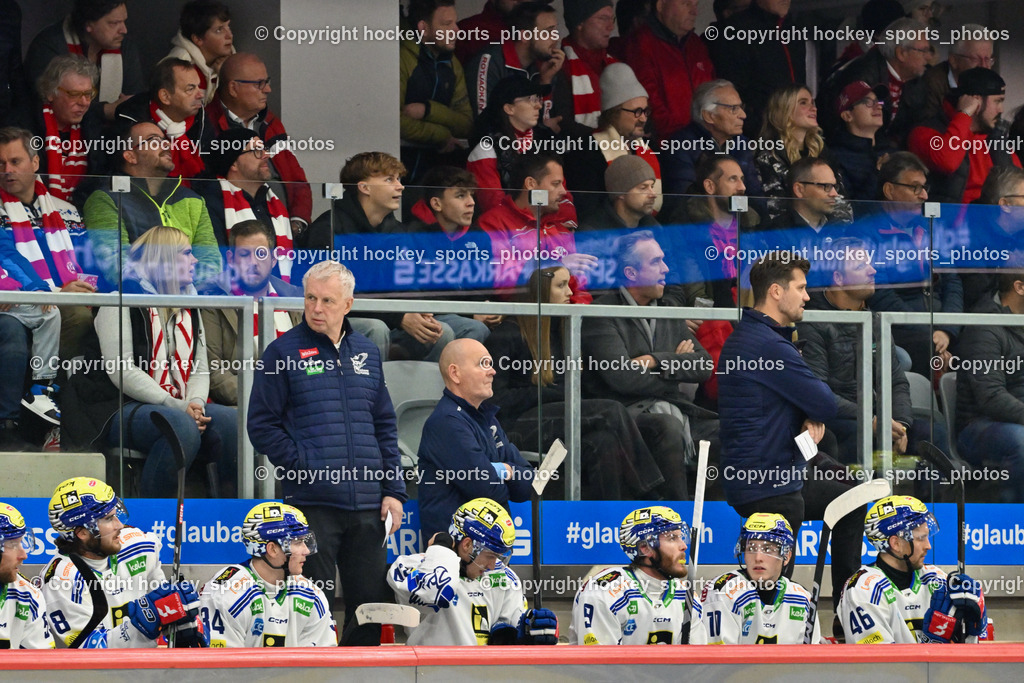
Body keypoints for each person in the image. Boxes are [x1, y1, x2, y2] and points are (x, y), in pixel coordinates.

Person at [247, 260, 406, 646]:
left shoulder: (367, 351)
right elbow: (261, 426)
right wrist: (306, 464)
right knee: (308, 609)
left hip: (369, 508)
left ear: (348, 304)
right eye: (310, 299)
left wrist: (394, 491)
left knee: (368, 612)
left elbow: (384, 425)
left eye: (327, 300)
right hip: (312, 505)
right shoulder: (280, 352)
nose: (317, 308)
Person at [718, 252, 863, 616]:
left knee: (853, 498)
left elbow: (800, 399)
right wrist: (810, 411)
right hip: (770, 483)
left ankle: (849, 612)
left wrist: (803, 413)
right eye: (801, 288)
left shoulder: (753, 337)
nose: (808, 296)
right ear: (776, 292)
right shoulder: (767, 345)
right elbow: (825, 403)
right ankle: (765, 634)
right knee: (770, 592)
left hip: (773, 470)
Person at [62, 226, 237, 496]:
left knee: (234, 423)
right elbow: (123, 372)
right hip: (114, 405)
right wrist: (178, 407)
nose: (195, 260)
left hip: (177, 405)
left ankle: (227, 514)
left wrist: (196, 405)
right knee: (179, 427)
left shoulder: (190, 303)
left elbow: (200, 368)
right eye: (187, 253)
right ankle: (156, 514)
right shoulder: (119, 300)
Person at [485, 266, 664, 499]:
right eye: (561, 286)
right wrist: (549, 392)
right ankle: (652, 494)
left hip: (555, 417)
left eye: (569, 284)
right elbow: (495, 401)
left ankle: (604, 518)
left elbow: (580, 391)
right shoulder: (507, 335)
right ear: (538, 292)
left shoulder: (564, 330)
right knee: (610, 411)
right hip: (517, 425)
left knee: (604, 441)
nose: (570, 292)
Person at [583, 231, 717, 500]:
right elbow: (623, 378)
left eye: (664, 261)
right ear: (631, 273)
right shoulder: (602, 313)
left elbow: (704, 365)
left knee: (727, 431)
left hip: (676, 409)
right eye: (656, 262)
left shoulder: (667, 310)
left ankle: (714, 522)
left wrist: (657, 360)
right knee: (666, 428)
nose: (666, 269)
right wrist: (677, 366)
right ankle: (677, 522)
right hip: (626, 416)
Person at [797, 238, 946, 466]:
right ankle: (861, 501)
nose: (872, 270)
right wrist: (873, 421)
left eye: (870, 264)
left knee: (935, 433)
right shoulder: (814, 321)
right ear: (838, 278)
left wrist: (900, 425)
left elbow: (896, 382)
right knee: (856, 435)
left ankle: (921, 502)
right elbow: (819, 391)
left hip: (877, 417)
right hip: (839, 417)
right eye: (861, 266)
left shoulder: (876, 320)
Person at [40, 477, 206, 648]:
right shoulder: (60, 579)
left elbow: (162, 601)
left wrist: (182, 620)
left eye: (116, 514)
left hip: (148, 670)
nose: (119, 525)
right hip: (100, 674)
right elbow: (88, 651)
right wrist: (142, 626)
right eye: (108, 519)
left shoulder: (140, 546)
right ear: (82, 532)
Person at [389, 497, 558, 646]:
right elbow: (436, 592)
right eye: (490, 556)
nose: (492, 566)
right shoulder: (408, 566)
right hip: (427, 674)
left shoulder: (504, 578)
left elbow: (508, 631)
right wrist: (442, 545)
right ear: (467, 545)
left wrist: (529, 632)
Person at [418, 338, 535, 538]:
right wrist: (505, 473)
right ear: (455, 373)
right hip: (456, 556)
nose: (493, 371)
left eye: (490, 364)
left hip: (489, 551)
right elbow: (487, 490)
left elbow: (528, 485)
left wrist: (505, 470)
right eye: (483, 364)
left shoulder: (487, 418)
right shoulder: (446, 422)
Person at [83, 121, 220, 287]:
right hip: (137, 304)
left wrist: (188, 296)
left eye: (165, 140)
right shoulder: (107, 198)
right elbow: (116, 265)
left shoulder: (193, 199)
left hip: (190, 302)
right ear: (130, 156)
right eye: (154, 140)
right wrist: (162, 291)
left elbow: (211, 261)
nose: (166, 145)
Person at [0, 125, 96, 362]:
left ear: (34, 163)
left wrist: (86, 290)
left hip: (68, 298)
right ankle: (45, 384)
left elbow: (87, 264)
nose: (7, 170)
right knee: (77, 317)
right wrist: (55, 293)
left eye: (15, 161)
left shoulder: (67, 211)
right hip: (24, 303)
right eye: (0, 164)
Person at [838, 495, 987, 643]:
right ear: (896, 543)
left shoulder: (938, 580)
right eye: (921, 538)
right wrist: (934, 645)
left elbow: (971, 660)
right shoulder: (863, 591)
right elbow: (879, 664)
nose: (928, 546)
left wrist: (971, 632)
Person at [199, 502, 336, 647]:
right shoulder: (225, 594)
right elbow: (220, 666)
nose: (306, 551)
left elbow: (323, 662)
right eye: (297, 542)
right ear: (272, 549)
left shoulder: (311, 595)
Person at [206, 52, 312, 230]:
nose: (268, 89)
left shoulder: (272, 124)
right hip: (236, 231)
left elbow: (296, 179)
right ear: (233, 88)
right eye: (259, 84)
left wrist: (298, 223)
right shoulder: (206, 124)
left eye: (267, 82)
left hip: (284, 229)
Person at [479, 153, 594, 301]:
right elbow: (503, 284)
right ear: (531, 184)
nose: (563, 192)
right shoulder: (494, 223)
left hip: (562, 318)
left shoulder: (559, 228)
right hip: (518, 318)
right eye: (555, 184)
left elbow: (580, 289)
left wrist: (578, 311)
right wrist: (557, 267)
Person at [690, 513, 820, 644]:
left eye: (767, 549)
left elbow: (810, 660)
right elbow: (718, 660)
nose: (758, 558)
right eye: (751, 548)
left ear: (786, 556)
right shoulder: (724, 593)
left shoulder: (803, 599)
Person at [569, 506, 689, 644]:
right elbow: (601, 663)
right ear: (645, 548)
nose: (683, 545)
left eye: (681, 537)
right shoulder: (604, 593)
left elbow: (702, 662)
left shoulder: (687, 596)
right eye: (672, 538)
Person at [955, 267, 1024, 503]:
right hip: (978, 426)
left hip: (1016, 419)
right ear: (1019, 288)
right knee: (1022, 442)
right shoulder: (986, 325)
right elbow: (991, 397)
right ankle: (1011, 520)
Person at [559, 62, 662, 219]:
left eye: (646, 111)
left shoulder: (651, 147)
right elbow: (587, 208)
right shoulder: (586, 151)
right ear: (613, 113)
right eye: (637, 112)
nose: (643, 118)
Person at [193, 128, 293, 280]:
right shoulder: (210, 203)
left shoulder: (275, 203)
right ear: (233, 163)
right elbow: (215, 263)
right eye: (257, 150)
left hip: (279, 298)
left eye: (264, 149)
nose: (266, 155)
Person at [908, 67, 1018, 204]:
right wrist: (964, 115)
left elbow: (1017, 186)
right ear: (976, 101)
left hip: (990, 222)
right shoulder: (925, 132)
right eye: (997, 101)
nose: (1001, 110)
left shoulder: (994, 138)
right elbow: (947, 162)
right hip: (940, 223)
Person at [25, 0, 144, 121]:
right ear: (89, 24)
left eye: (124, 21)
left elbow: (134, 101)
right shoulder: (49, 46)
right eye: (114, 23)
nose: (124, 30)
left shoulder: (125, 47)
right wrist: (106, 110)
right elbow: (45, 104)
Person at [818, 18, 931, 139]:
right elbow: (845, 131)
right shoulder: (861, 77)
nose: (928, 57)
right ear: (901, 53)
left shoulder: (916, 79)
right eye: (922, 51)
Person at [400, 0, 473, 185]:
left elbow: (466, 125)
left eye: (455, 23)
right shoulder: (401, 58)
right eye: (447, 24)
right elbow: (396, 121)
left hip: (435, 181)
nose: (457, 30)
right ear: (424, 28)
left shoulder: (452, 63)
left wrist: (428, 110)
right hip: (395, 177)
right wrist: (442, 136)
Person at [708, 0, 805, 138]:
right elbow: (732, 93)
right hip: (758, 137)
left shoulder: (794, 30)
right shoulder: (734, 30)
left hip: (795, 133)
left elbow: (801, 84)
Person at [622, 0, 714, 140]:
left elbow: (713, 92)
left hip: (704, 141)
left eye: (696, 5)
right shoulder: (640, 44)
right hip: (668, 146)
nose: (694, 12)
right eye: (686, 4)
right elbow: (650, 104)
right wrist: (686, 139)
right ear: (660, 5)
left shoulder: (696, 44)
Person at [16, 55, 103, 201]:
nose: (84, 102)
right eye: (74, 94)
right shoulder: (23, 127)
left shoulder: (92, 127)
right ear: (51, 93)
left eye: (88, 94)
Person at [660, 79, 763, 199]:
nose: (743, 115)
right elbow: (686, 201)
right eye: (733, 108)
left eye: (741, 107)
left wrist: (752, 217)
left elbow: (755, 196)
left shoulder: (741, 143)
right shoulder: (680, 146)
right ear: (709, 116)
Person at [115, 58, 212, 180]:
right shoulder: (130, 120)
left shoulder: (201, 118)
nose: (200, 95)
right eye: (190, 89)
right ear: (165, 97)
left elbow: (208, 174)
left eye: (199, 86)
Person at [467, 2, 564, 117]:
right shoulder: (489, 62)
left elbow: (545, 121)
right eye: (548, 32)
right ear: (525, 36)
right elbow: (484, 121)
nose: (556, 38)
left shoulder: (544, 65)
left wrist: (545, 82)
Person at [551, 0, 617, 132]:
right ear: (579, 22)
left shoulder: (616, 67)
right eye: (603, 18)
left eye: (612, 19)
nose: (611, 27)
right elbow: (565, 124)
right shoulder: (558, 68)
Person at [0, 502, 54, 649]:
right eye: (13, 544)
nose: (23, 555)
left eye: (22, 543)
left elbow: (42, 665)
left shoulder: (29, 594)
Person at [828, 81, 892, 201]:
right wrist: (877, 173)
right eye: (868, 102)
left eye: (878, 101)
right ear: (847, 116)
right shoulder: (835, 158)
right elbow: (848, 210)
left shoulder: (891, 151)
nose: (879, 106)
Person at [165, 0, 234, 105]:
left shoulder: (230, 60)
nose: (229, 35)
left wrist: (224, 76)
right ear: (198, 39)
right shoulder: (180, 65)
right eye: (219, 30)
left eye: (228, 26)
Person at [580, 154, 659, 231]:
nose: (653, 194)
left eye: (652, 186)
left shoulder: (654, 227)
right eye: (643, 188)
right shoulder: (593, 232)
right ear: (621, 192)